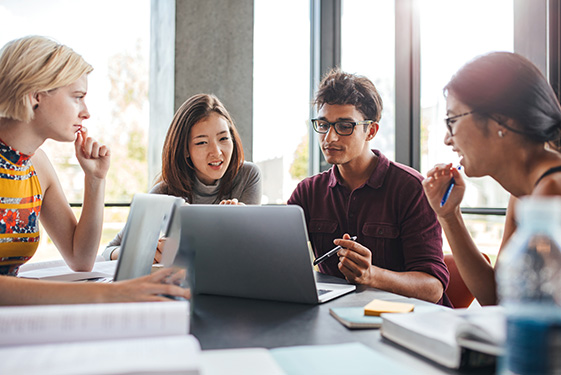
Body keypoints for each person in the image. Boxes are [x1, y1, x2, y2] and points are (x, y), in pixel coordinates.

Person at [0, 35, 189, 305]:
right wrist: (109, 293)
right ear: (36, 95)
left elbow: (81, 259)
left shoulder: (37, 165)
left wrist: (95, 179)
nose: (86, 112)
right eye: (77, 97)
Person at [288, 69, 450, 305]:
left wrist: (372, 275)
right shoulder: (308, 192)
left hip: (407, 322)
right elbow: (276, 257)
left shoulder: (411, 188)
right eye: (323, 125)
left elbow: (433, 288)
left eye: (344, 126)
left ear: (371, 131)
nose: (329, 138)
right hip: (336, 318)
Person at [422, 51, 561, 306]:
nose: (447, 138)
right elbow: (497, 298)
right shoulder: (524, 192)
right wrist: (448, 215)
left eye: (452, 120)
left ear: (500, 121)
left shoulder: (552, 191)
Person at [103, 93, 262, 261]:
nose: (216, 152)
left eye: (223, 138)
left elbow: (248, 252)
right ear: (185, 150)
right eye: (202, 142)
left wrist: (245, 222)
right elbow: (109, 250)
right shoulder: (164, 192)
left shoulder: (248, 175)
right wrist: (148, 251)